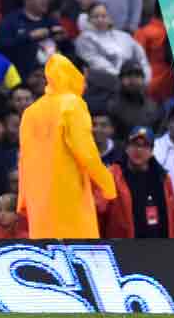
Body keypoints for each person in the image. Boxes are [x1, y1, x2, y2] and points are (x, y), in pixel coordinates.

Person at [18, 54, 116, 239]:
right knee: (76, 253)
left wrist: (23, 199)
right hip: (69, 193)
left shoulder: (30, 112)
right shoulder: (72, 104)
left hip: (38, 198)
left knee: (46, 254)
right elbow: (86, 151)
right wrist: (107, 183)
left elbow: (24, 158)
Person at [100, 127, 174, 239]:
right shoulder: (112, 176)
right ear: (127, 148)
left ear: (152, 151)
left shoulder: (162, 178)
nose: (139, 150)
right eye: (134, 144)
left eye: (145, 146)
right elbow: (100, 213)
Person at [0, 0, 71, 79]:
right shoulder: (11, 22)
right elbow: (1, 50)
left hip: (53, 77)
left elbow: (68, 51)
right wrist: (29, 37)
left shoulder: (51, 21)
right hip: (24, 78)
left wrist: (64, 40)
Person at [75, 2, 150, 80]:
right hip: (104, 83)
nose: (100, 19)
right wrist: (121, 78)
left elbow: (141, 58)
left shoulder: (124, 36)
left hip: (131, 81)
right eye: (95, 16)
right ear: (88, 19)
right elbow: (96, 62)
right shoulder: (85, 39)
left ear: (109, 18)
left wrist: (145, 77)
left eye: (104, 16)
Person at [108, 61, 162, 141]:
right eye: (128, 75)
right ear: (120, 79)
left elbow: (158, 136)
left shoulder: (153, 107)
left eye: (137, 75)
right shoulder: (112, 106)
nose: (133, 80)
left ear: (143, 79)